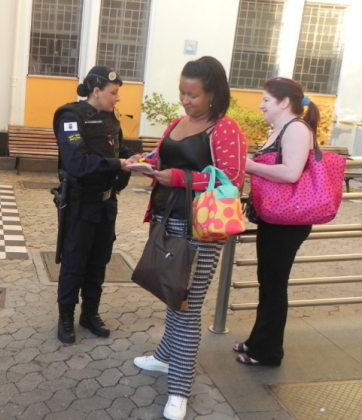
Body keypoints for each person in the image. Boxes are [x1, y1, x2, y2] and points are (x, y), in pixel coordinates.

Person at [126, 56, 247, 420]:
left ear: (213, 93)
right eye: (181, 92)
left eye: (192, 94)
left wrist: (178, 178)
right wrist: (144, 162)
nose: (185, 100)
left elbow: (231, 182)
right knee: (171, 293)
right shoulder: (178, 123)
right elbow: (162, 157)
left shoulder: (225, 129)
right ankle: (165, 357)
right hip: (166, 221)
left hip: (201, 229)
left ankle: (180, 388)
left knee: (186, 308)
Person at [233, 77, 318, 366]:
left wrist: (250, 166)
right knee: (267, 281)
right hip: (275, 216)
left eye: (266, 100)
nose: (260, 105)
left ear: (283, 102)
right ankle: (258, 341)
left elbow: (292, 173)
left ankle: (267, 352)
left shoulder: (296, 128)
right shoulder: (281, 128)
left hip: (288, 220)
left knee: (274, 282)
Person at [52, 65, 134, 344]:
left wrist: (132, 159)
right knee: (74, 262)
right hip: (80, 204)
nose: (117, 98)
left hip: (107, 202)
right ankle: (65, 318)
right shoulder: (70, 117)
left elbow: (117, 149)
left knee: (99, 261)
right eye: (113, 93)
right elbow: (77, 163)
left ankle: (90, 314)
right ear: (96, 92)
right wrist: (117, 164)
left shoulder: (111, 117)